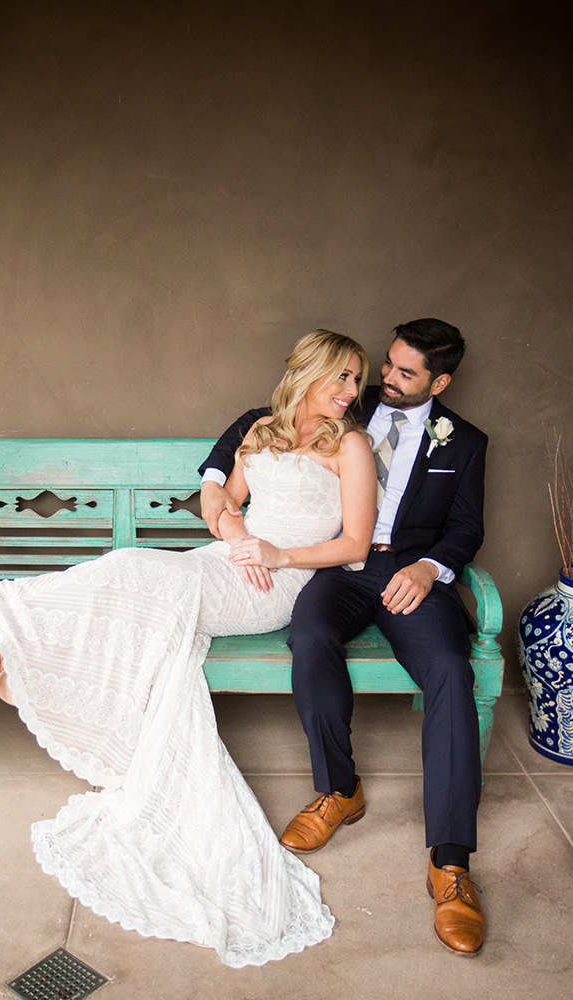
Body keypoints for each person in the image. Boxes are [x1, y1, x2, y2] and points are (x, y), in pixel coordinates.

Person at [0, 330, 377, 968]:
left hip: (279, 582)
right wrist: (238, 530)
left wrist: (275, 553)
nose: (353, 391)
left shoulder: (350, 444)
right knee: (132, 571)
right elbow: (224, 502)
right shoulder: (263, 430)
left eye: (357, 379)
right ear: (309, 372)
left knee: (134, 571)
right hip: (225, 560)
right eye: (342, 377)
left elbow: (354, 544)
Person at [197, 318, 489, 955]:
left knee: (449, 669)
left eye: (404, 373)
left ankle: (451, 861)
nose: (385, 379)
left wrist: (428, 567)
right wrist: (223, 497)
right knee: (311, 634)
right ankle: (339, 790)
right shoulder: (342, 403)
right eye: (386, 365)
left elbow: (467, 530)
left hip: (410, 574)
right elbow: (251, 437)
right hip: (338, 570)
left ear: (439, 382)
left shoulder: (464, 442)